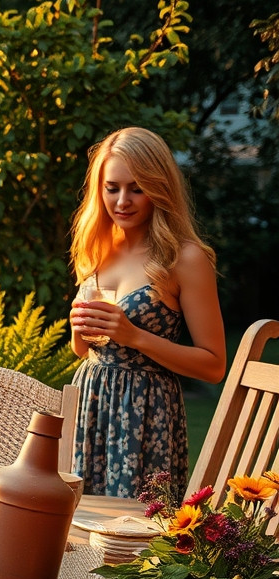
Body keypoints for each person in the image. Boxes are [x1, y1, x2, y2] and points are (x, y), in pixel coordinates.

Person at [68, 126, 225, 499]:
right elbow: (85, 350)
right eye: (113, 188)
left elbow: (214, 366)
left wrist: (134, 335)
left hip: (145, 416)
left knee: (133, 541)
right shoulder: (98, 248)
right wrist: (79, 330)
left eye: (137, 188)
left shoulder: (185, 259)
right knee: (76, 529)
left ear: (159, 188)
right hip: (90, 405)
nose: (123, 200)